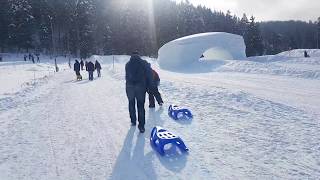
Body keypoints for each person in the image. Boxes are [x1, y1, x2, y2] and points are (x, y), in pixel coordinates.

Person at [125, 51, 152, 133]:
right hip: (140, 87)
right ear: (138, 55)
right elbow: (149, 75)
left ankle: (133, 121)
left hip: (130, 87)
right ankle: (141, 126)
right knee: (140, 106)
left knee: (131, 103)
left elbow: (127, 76)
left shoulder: (127, 64)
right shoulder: (143, 63)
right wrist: (149, 86)